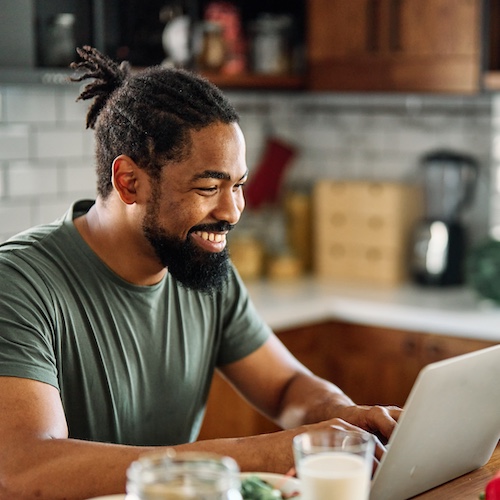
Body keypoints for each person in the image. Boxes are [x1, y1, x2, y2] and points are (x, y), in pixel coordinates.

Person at [0, 46, 401, 500]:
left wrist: (342, 419)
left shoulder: (201, 266)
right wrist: (263, 453)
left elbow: (287, 386)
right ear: (128, 181)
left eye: (238, 186)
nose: (231, 212)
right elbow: (23, 470)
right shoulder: (18, 284)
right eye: (209, 187)